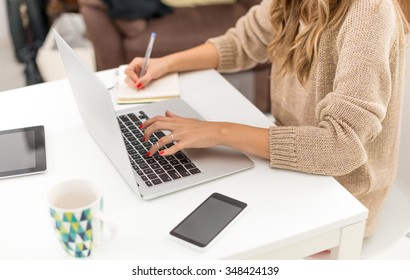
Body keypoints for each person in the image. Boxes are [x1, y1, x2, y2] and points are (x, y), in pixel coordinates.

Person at [124, 0, 409, 238]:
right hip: (291, 168)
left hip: (341, 197)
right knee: (171, 200)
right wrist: (166, 63)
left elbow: (342, 146)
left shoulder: (369, 12)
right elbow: (241, 43)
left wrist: (219, 132)